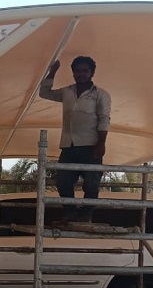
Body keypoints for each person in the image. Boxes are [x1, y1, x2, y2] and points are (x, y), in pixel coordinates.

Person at [39, 56, 111, 223]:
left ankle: (86, 215)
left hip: (91, 146)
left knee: (92, 184)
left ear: (92, 73)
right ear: (73, 73)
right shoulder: (67, 92)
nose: (81, 74)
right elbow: (44, 93)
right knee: (62, 181)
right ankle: (70, 213)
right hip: (68, 145)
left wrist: (101, 143)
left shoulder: (100, 94)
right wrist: (52, 72)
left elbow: (104, 119)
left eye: (85, 71)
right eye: (78, 71)